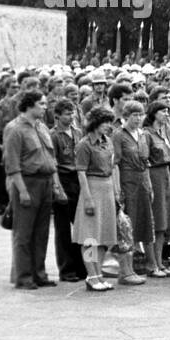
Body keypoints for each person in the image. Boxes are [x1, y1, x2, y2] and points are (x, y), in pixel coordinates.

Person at [2, 90, 65, 289]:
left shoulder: (42, 127)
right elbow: (12, 164)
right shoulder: (14, 129)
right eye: (42, 103)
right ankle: (24, 276)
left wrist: (55, 185)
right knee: (23, 233)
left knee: (41, 232)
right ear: (29, 105)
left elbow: (51, 158)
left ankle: (39, 273)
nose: (45, 107)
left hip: (45, 182)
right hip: (27, 182)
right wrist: (21, 190)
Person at [72, 107, 121, 292]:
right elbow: (81, 173)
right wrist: (88, 198)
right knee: (90, 237)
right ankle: (92, 275)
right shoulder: (85, 144)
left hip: (107, 189)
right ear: (95, 123)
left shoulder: (107, 141)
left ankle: (98, 273)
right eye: (105, 122)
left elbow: (113, 166)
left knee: (104, 237)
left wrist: (116, 190)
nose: (108, 126)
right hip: (93, 188)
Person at [113, 101, 157, 282]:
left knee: (146, 222)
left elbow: (147, 162)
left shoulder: (144, 134)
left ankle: (150, 263)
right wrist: (118, 189)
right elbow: (115, 163)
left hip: (143, 182)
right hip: (127, 182)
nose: (138, 119)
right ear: (126, 116)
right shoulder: (119, 135)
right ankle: (127, 269)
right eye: (134, 115)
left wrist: (150, 185)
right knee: (127, 226)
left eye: (141, 115)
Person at [50, 99, 87, 282]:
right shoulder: (53, 136)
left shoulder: (78, 132)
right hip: (63, 179)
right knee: (63, 229)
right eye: (66, 113)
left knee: (81, 226)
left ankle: (82, 267)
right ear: (57, 116)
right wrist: (57, 188)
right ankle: (66, 269)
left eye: (72, 113)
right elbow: (53, 164)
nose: (71, 117)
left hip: (78, 180)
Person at [144, 101, 170, 277]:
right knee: (157, 219)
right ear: (154, 113)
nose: (166, 114)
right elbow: (145, 158)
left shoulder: (163, 133)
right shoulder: (147, 134)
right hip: (154, 175)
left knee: (165, 220)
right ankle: (153, 264)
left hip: (165, 175)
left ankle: (159, 261)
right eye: (162, 111)